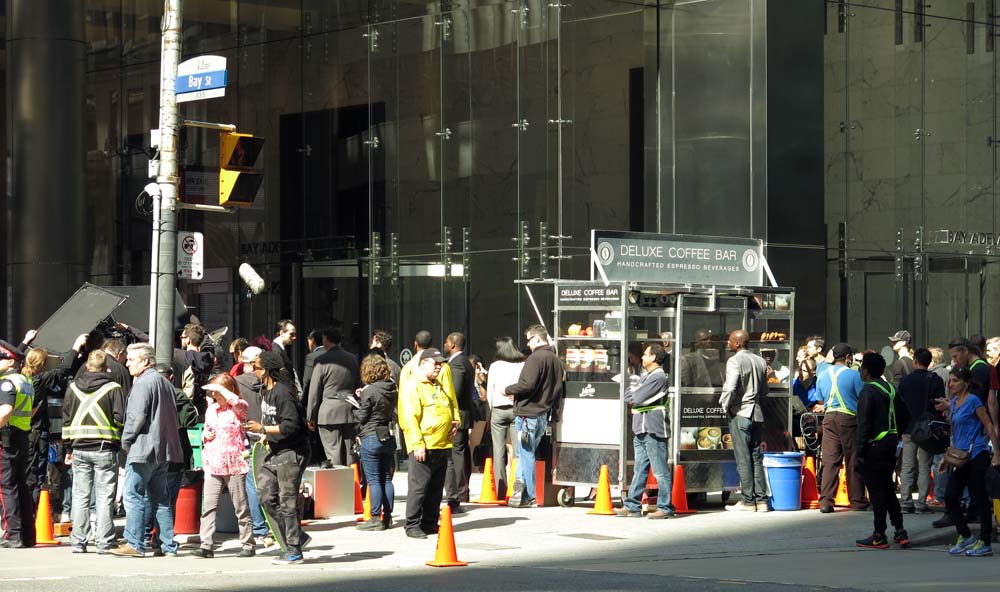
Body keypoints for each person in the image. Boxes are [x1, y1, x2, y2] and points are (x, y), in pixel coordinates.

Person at [111, 343, 183, 558]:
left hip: (143, 448)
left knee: (133, 495)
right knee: (161, 499)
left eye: (131, 360)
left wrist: (126, 442)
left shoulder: (143, 383)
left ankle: (135, 543)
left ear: (145, 361)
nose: (127, 363)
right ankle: (168, 545)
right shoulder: (165, 383)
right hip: (162, 450)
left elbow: (136, 417)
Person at [244, 351, 311, 565]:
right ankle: (296, 536)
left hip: (292, 451)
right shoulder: (265, 391)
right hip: (275, 451)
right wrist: (265, 434)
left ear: (264, 370)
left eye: (255, 367)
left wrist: (263, 429)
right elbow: (274, 421)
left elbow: (291, 426)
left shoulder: (283, 393)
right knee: (265, 495)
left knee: (287, 501)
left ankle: (294, 550)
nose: (252, 370)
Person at [63, 349, 125, 554]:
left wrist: (68, 448)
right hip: (105, 448)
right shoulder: (114, 388)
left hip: (79, 448)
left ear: (88, 366)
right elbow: (120, 418)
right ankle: (104, 542)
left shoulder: (73, 387)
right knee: (104, 496)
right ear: (106, 368)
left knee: (80, 496)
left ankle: (78, 541)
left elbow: (66, 420)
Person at [935, 365, 1000, 557]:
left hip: (977, 455)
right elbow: (955, 433)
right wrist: (948, 457)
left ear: (966, 383)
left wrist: (997, 453)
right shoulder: (954, 402)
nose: (951, 384)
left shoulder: (974, 401)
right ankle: (965, 536)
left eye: (955, 381)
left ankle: (985, 542)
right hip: (960, 457)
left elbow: (988, 425)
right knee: (950, 497)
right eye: (950, 380)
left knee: (979, 498)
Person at [397, 348, 460, 539]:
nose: (439, 367)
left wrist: (455, 421)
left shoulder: (437, 385)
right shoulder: (414, 386)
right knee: (419, 488)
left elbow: (450, 404)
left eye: (441, 364)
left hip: (441, 444)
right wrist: (417, 444)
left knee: (435, 488)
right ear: (423, 364)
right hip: (424, 445)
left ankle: (430, 522)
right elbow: (409, 418)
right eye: (435, 363)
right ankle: (412, 524)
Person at [193, 374, 254, 558]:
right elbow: (207, 430)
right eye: (213, 392)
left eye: (217, 392)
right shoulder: (212, 409)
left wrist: (224, 391)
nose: (214, 395)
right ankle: (206, 545)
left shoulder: (238, 408)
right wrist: (205, 435)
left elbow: (241, 407)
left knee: (240, 506)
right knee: (209, 506)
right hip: (213, 462)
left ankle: (248, 544)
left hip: (234, 462)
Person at [855, 352, 910, 549]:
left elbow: (864, 424)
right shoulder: (891, 389)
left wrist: (859, 451)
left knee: (877, 493)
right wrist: (896, 436)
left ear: (867, 371)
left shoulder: (868, 391)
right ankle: (900, 530)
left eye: (861, 368)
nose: (860, 372)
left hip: (874, 447)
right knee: (887, 489)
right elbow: (905, 416)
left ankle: (879, 535)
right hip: (891, 444)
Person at [505, 325, 563, 508]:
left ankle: (529, 495)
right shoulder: (555, 360)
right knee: (525, 453)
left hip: (528, 414)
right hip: (542, 414)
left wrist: (508, 389)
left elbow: (527, 384)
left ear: (538, 339)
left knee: (526, 453)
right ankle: (521, 491)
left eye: (529, 340)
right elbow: (557, 390)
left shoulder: (535, 358)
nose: (528, 344)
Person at [616, 343, 674, 519]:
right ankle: (632, 506)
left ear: (653, 358)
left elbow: (637, 398)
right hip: (640, 428)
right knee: (639, 469)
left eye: (645, 354)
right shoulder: (646, 376)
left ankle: (665, 507)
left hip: (653, 429)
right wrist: (633, 393)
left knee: (660, 471)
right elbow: (629, 396)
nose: (642, 357)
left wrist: (634, 393)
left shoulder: (658, 377)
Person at [719, 330, 769, 512]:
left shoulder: (734, 361)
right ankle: (761, 501)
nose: (728, 342)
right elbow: (764, 391)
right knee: (756, 457)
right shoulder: (760, 361)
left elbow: (731, 387)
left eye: (730, 340)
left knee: (743, 458)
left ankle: (748, 501)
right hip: (757, 414)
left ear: (738, 343)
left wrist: (725, 405)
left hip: (740, 413)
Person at [816, 342, 868, 513]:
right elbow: (862, 398)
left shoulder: (822, 375)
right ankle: (857, 501)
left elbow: (820, 399)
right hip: (849, 419)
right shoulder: (854, 375)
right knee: (853, 460)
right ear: (848, 357)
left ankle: (826, 502)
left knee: (830, 461)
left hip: (828, 418)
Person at [897, 348, 943, 514]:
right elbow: (939, 405)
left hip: (908, 428)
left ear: (915, 361)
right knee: (924, 466)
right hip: (926, 429)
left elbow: (899, 405)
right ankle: (921, 503)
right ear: (929, 362)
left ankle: (905, 502)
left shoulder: (905, 381)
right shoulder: (935, 380)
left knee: (907, 465)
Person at [306, 326, 360, 467]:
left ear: (325, 340)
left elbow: (314, 390)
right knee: (349, 453)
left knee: (333, 452)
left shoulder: (321, 360)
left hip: (329, 412)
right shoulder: (352, 358)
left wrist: (311, 416)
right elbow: (358, 384)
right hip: (350, 410)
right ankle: (350, 480)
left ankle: (337, 480)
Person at [354, 354, 398, 531]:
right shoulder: (392, 387)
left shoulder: (370, 390)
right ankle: (387, 517)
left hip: (371, 436)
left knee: (373, 480)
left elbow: (362, 416)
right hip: (386, 435)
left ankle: (374, 518)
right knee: (386, 477)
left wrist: (357, 404)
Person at [0, 340, 36, 548]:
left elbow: (5, 411)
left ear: (11, 362)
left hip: (6, 438)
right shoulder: (25, 381)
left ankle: (11, 534)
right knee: (21, 485)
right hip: (22, 435)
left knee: (6, 486)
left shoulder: (7, 382)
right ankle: (28, 535)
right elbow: (33, 409)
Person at [232, 345, 270, 543]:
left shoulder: (237, 383)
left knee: (251, 483)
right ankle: (271, 524)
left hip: (248, 436)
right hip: (270, 434)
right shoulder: (269, 381)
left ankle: (259, 527)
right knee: (269, 482)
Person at [486, 337, 526, 496]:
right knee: (518, 450)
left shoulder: (495, 366)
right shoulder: (522, 364)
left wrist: (490, 412)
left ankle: (501, 489)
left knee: (498, 450)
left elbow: (490, 392)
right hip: (516, 408)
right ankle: (517, 488)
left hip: (498, 410)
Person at [443, 332, 475, 513]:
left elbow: (454, 391)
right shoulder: (463, 362)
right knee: (461, 452)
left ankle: (459, 492)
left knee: (457, 454)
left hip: (458, 415)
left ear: (453, 345)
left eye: (447, 342)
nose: (445, 344)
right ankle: (462, 490)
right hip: (463, 414)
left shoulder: (457, 364)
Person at [949, 337, 989, 404]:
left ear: (965, 350)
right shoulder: (968, 367)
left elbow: (973, 402)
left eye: (955, 356)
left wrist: (949, 405)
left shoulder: (979, 369)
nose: (954, 360)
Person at [301, 328, 326, 402]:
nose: (308, 345)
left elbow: (307, 381)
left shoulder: (311, 357)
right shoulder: (332, 353)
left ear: (312, 340)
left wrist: (303, 401)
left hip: (317, 399)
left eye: (308, 341)